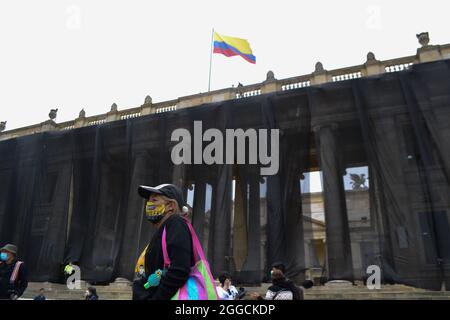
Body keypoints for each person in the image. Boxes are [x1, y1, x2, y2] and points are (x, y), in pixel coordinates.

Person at [132, 184, 198, 300]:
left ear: (170, 206)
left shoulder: (176, 223)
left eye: (154, 200)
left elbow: (179, 270)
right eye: (148, 200)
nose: (149, 204)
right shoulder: (165, 230)